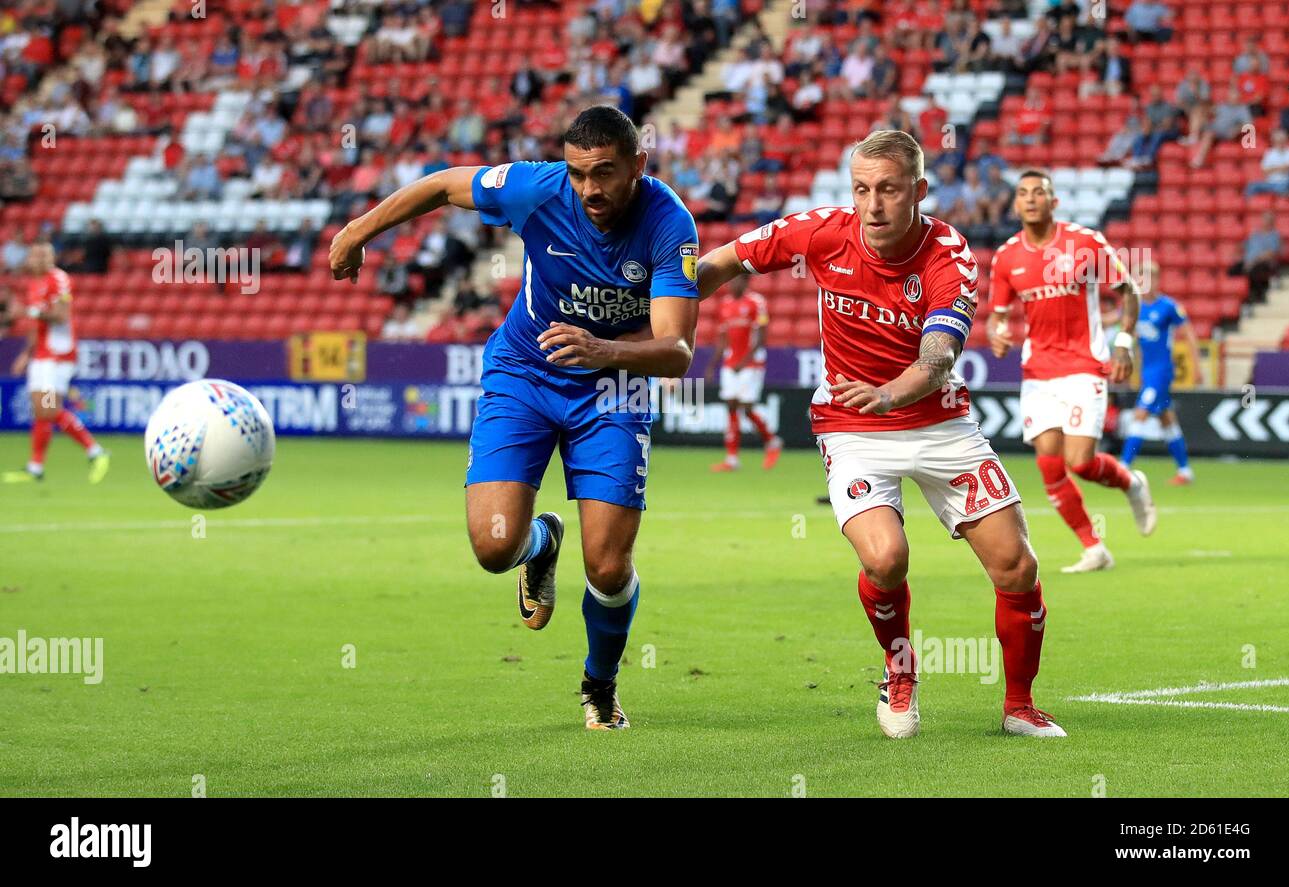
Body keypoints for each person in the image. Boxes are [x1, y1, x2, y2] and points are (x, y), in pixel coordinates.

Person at [329, 106, 699, 731]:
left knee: (608, 565)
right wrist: (360, 229)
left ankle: (599, 684)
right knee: (494, 547)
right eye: (579, 173)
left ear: (638, 164)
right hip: (525, 374)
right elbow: (445, 184)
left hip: (615, 388)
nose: (590, 190)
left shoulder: (670, 225)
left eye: (605, 173)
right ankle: (540, 542)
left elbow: (677, 351)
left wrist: (602, 350)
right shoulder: (536, 187)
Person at [696, 130, 1066, 739]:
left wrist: (890, 392)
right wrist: (660, 303)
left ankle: (1019, 706)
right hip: (852, 424)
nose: (873, 205)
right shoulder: (820, 230)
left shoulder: (950, 254)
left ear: (919, 191)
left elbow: (939, 356)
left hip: (938, 421)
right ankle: (900, 674)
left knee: (1017, 567)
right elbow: (724, 262)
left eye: (890, 190)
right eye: (862, 189)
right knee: (887, 557)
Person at [988, 171, 1157, 574]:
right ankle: (1094, 548)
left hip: (1084, 366)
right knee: (1048, 463)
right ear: (1016, 205)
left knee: (1080, 462)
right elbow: (996, 316)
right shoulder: (1007, 257)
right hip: (1039, 372)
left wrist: (1123, 343)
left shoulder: (1084, 243)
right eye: (1023, 194)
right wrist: (996, 334)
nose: (1030, 200)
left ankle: (1132, 483)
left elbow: (1128, 291)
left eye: (1039, 193)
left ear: (1054, 202)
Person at [3, 241, 110, 485]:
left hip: (58, 357)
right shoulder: (34, 283)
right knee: (41, 411)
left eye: (44, 255)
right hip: (41, 357)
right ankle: (35, 467)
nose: (39, 259)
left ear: (51, 257)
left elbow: (60, 315)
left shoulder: (59, 279)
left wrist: (27, 312)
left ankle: (95, 451)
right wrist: (26, 353)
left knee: (49, 409)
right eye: (35, 255)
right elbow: (36, 325)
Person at [1119, 263, 1199, 483]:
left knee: (1140, 414)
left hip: (1162, 372)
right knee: (1167, 420)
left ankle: (1123, 467)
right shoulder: (1135, 308)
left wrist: (1197, 366)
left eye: (1150, 279)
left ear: (1157, 280)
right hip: (1148, 372)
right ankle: (1185, 471)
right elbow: (1132, 340)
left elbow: (1189, 334)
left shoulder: (1167, 306)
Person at [704, 275, 782, 472]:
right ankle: (732, 459)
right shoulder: (725, 304)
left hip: (751, 364)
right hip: (730, 364)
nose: (730, 284)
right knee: (731, 406)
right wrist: (713, 365)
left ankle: (772, 441)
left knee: (746, 408)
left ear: (745, 282)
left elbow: (761, 337)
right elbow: (723, 339)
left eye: (734, 281)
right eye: (729, 281)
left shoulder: (757, 303)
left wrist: (744, 362)